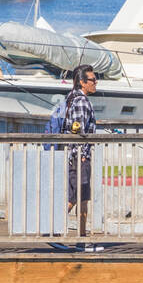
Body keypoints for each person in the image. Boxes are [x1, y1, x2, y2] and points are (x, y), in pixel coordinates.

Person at [64, 64, 98, 235]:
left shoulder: (71, 98)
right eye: (92, 80)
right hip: (79, 157)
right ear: (83, 82)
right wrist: (82, 155)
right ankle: (80, 237)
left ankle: (78, 235)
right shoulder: (82, 101)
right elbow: (79, 132)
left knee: (75, 195)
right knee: (81, 196)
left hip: (73, 155)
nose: (96, 82)